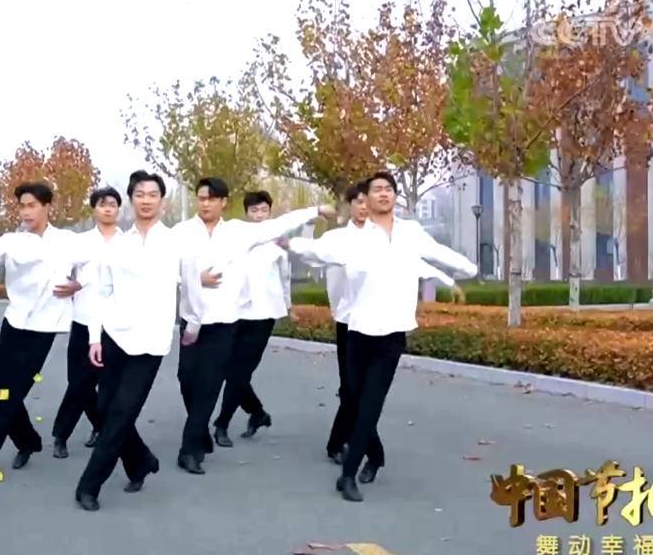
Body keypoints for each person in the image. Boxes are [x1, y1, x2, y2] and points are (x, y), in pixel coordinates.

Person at [284, 171, 476, 502]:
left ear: (395, 197)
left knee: (370, 405)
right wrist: (287, 243)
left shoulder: (410, 233)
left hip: (391, 337)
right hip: (358, 332)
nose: (383, 194)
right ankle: (376, 456)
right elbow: (316, 251)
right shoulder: (351, 239)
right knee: (354, 401)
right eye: (377, 190)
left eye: (389, 189)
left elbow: (436, 255)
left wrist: (466, 270)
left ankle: (348, 475)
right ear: (367, 198)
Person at [175, 177, 333, 474]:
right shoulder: (181, 233)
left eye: (212, 199)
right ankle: (199, 431)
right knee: (186, 379)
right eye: (201, 198)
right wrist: (194, 278)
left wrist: (314, 210)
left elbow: (280, 225)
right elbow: (163, 268)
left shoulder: (239, 233)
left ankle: (190, 448)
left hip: (225, 322)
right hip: (192, 321)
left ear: (223, 202)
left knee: (210, 384)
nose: (205, 204)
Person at [74, 170, 192, 511]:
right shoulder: (118, 245)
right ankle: (140, 461)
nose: (145, 200)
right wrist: (94, 337)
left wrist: (194, 322)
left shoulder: (174, 242)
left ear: (162, 201)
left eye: (152, 194)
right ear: (131, 199)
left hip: (151, 342)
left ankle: (89, 486)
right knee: (105, 409)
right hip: (115, 336)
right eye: (139, 194)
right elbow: (101, 293)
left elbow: (190, 284)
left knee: (121, 412)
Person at [0, 182, 89, 483]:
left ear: (46, 207)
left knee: (8, 396)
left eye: (32, 206)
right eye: (22, 206)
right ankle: (28, 440)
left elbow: (95, 263)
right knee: (4, 391)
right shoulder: (12, 241)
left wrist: (79, 284)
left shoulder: (67, 241)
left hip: (44, 328)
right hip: (14, 322)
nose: (26, 212)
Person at [210, 190, 290, 446]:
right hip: (236, 313)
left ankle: (221, 424)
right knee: (226, 367)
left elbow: (285, 278)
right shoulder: (237, 239)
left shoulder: (278, 245)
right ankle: (257, 412)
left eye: (263, 210)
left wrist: (288, 305)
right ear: (247, 214)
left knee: (240, 372)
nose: (259, 215)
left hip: (264, 315)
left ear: (270, 212)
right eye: (254, 211)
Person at [52, 187, 121, 459]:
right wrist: (69, 283)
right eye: (102, 204)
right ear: (95, 209)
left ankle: (99, 429)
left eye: (112, 204)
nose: (108, 208)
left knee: (108, 384)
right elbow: (63, 268)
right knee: (79, 382)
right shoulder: (82, 242)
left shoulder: (127, 243)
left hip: (114, 324)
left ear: (118, 209)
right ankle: (62, 435)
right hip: (83, 320)